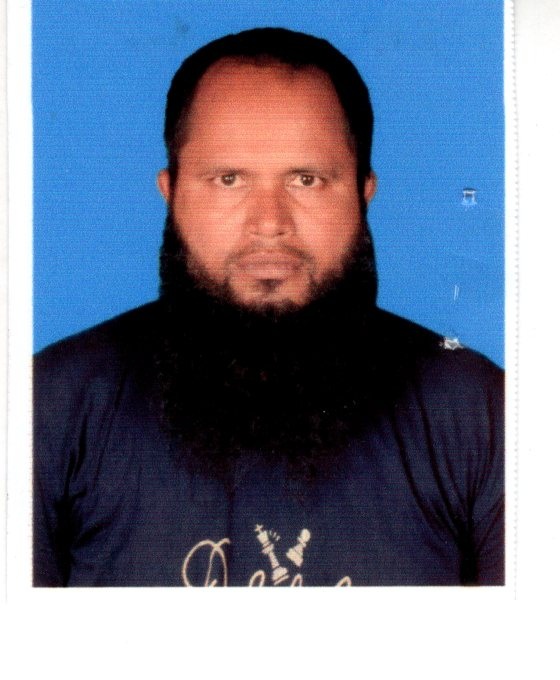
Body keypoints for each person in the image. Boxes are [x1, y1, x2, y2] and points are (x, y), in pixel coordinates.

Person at [33, 27, 504, 587]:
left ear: (364, 190)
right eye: (229, 179)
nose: (269, 223)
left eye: (306, 179)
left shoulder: (476, 410)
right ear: (170, 191)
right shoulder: (52, 404)